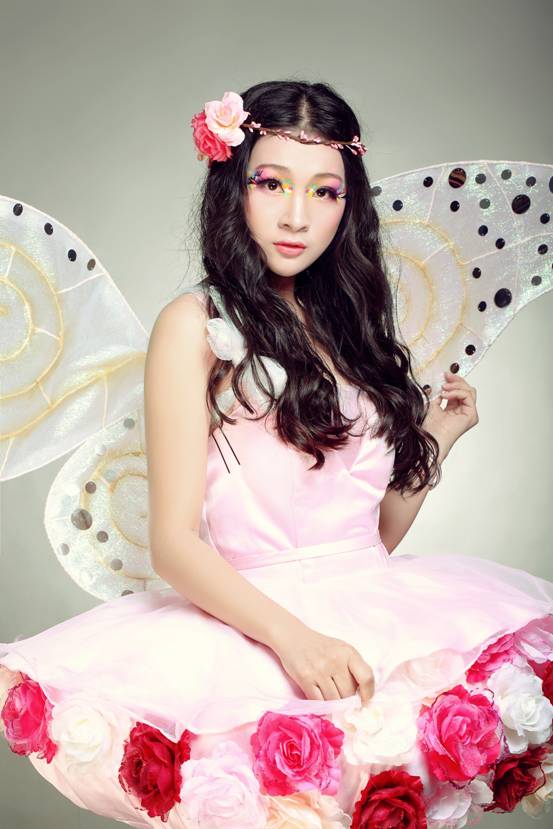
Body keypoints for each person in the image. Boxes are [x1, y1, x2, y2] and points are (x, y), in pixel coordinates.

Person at [1, 79, 553, 828]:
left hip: (371, 621)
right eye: (272, 183)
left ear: (348, 204)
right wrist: (296, 642)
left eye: (324, 191)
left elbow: (367, 540)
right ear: (235, 186)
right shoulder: (193, 323)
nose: (297, 215)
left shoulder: (352, 327)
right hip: (258, 635)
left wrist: (437, 439)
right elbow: (173, 544)